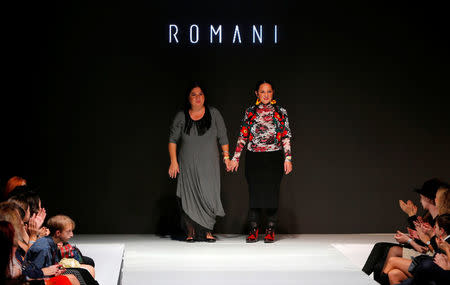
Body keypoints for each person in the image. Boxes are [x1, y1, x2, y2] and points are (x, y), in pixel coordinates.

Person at [229, 80, 292, 243]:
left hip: (274, 156)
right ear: (256, 93)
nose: (266, 95)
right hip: (254, 156)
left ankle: (271, 228)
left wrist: (288, 158)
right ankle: (254, 228)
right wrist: (235, 157)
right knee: (254, 193)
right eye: (262, 92)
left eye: (269, 91)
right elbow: (243, 135)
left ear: (273, 93)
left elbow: (285, 135)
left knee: (272, 192)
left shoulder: (280, 111)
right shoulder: (250, 111)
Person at [168, 83, 230, 242]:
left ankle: (208, 231)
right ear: (188, 98)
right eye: (194, 94)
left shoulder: (214, 113)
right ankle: (191, 231)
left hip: (209, 164)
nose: (197, 97)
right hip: (188, 165)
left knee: (209, 195)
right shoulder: (181, 116)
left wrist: (227, 157)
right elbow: (172, 140)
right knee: (188, 197)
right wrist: (173, 162)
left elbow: (223, 137)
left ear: (204, 97)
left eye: (200, 94)